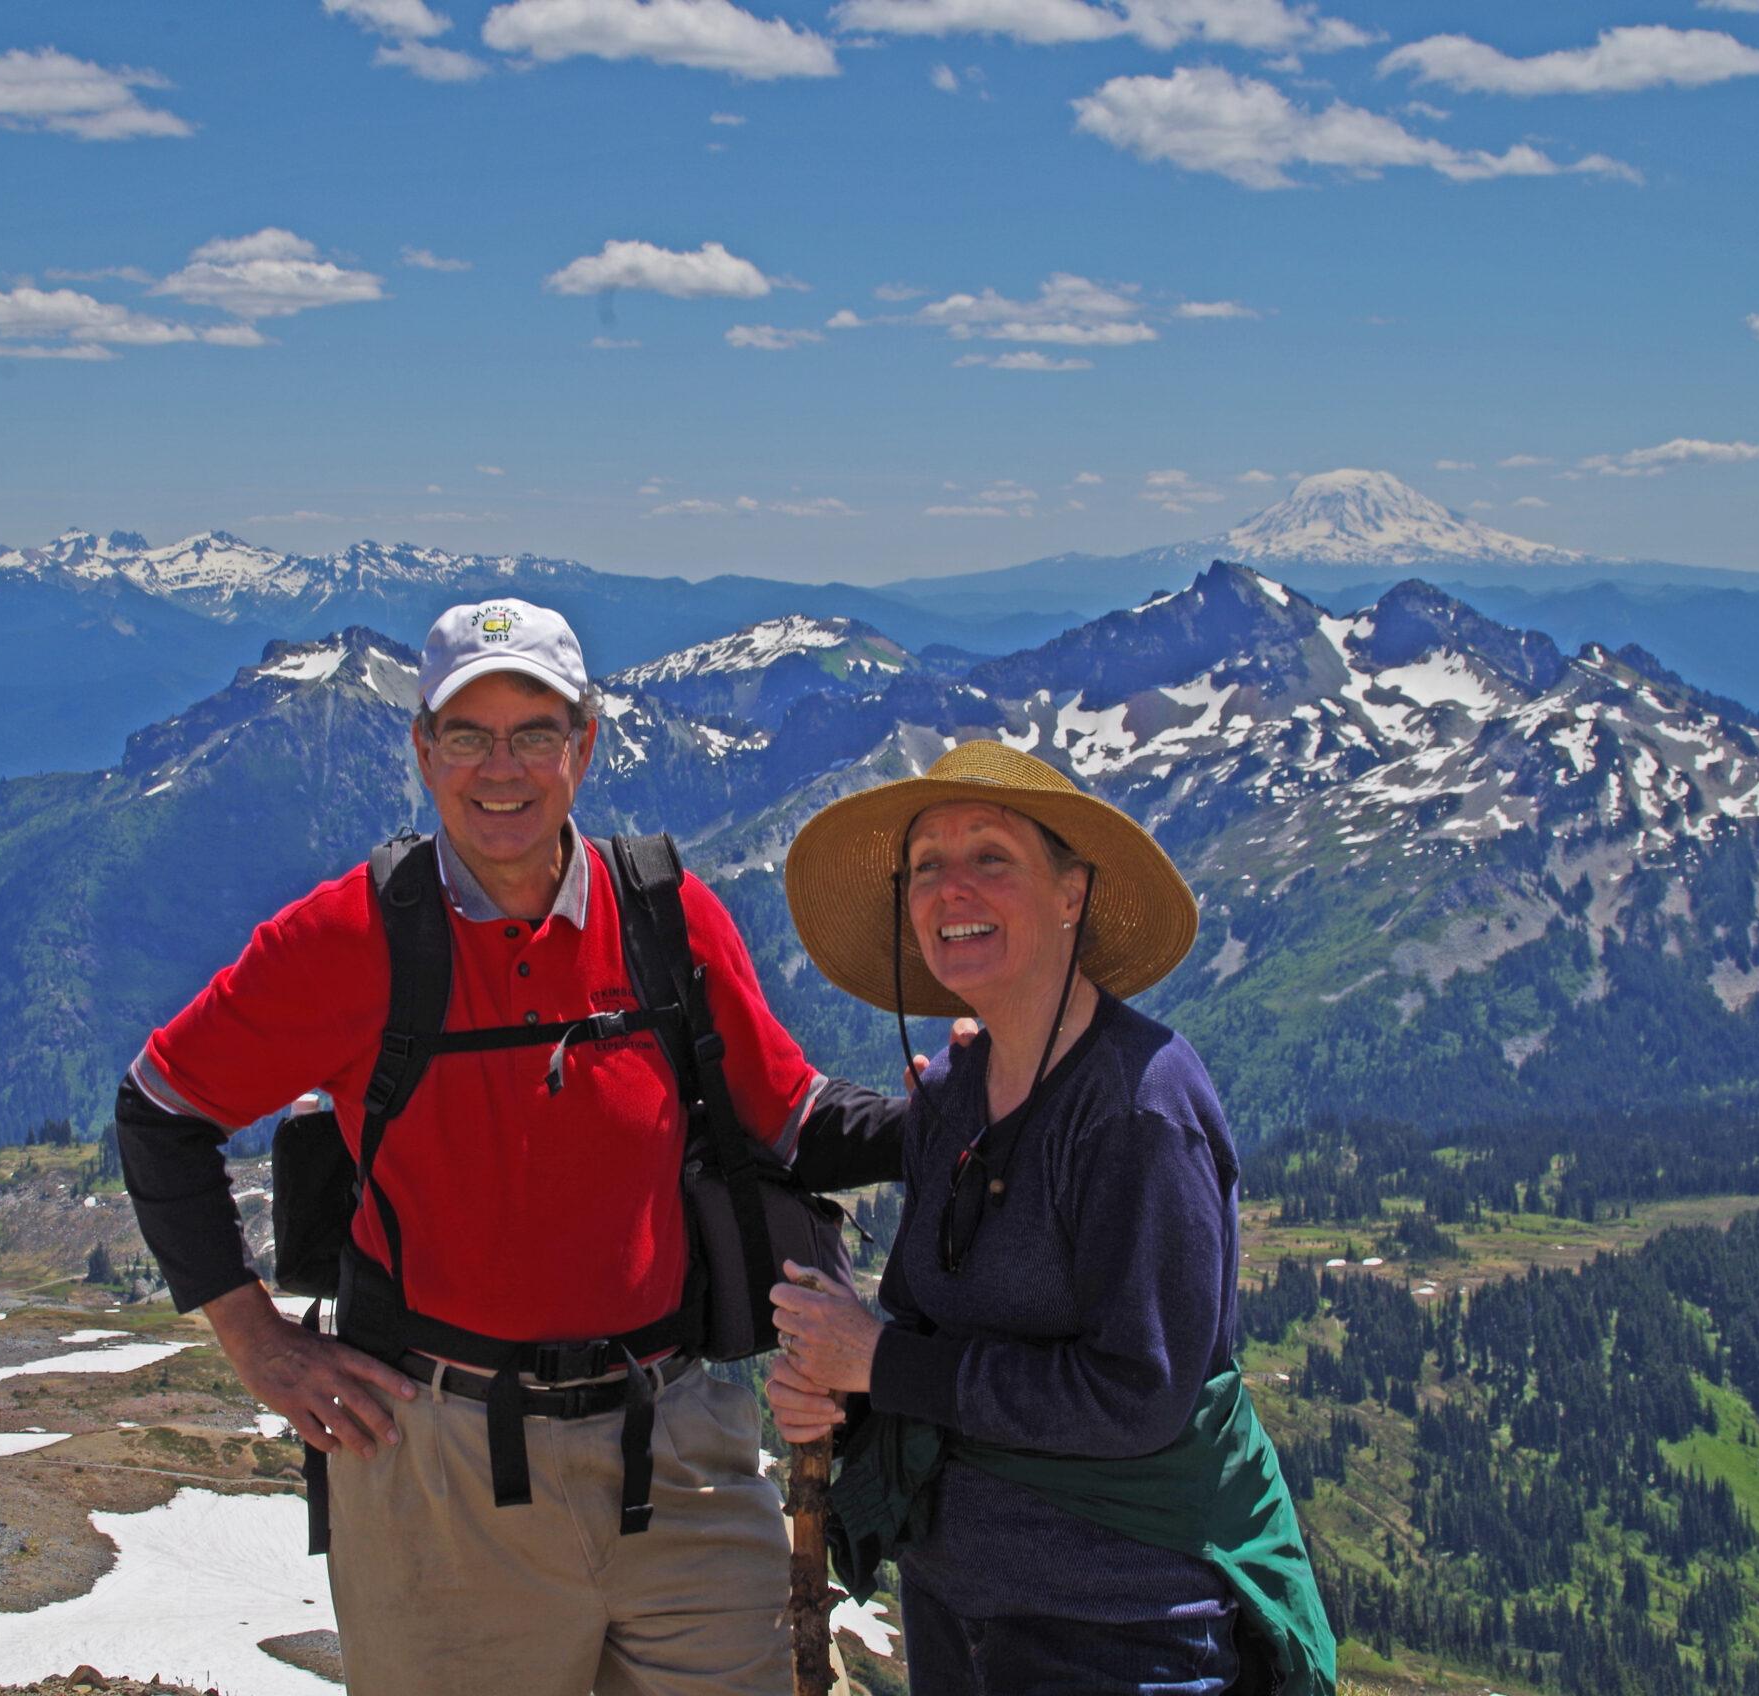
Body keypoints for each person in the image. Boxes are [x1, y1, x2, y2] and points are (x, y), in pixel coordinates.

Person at [112, 598, 903, 1696]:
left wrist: (959, 1115)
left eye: (534, 732)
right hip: (439, 1467)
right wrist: (255, 1343)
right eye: (468, 735)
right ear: (422, 752)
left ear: (584, 745)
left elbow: (795, 1116)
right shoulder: (347, 938)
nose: (502, 767)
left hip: (678, 1448)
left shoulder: (666, 920)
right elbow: (160, 1107)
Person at [765, 741, 1335, 1696]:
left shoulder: (1139, 1107)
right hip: (956, 1605)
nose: (953, 890)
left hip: (1118, 1626)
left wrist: (876, 1361)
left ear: (1073, 892)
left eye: (992, 857)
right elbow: (940, 1339)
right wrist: (840, 1385)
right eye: (928, 866)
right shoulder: (950, 1091)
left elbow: (1138, 1393)